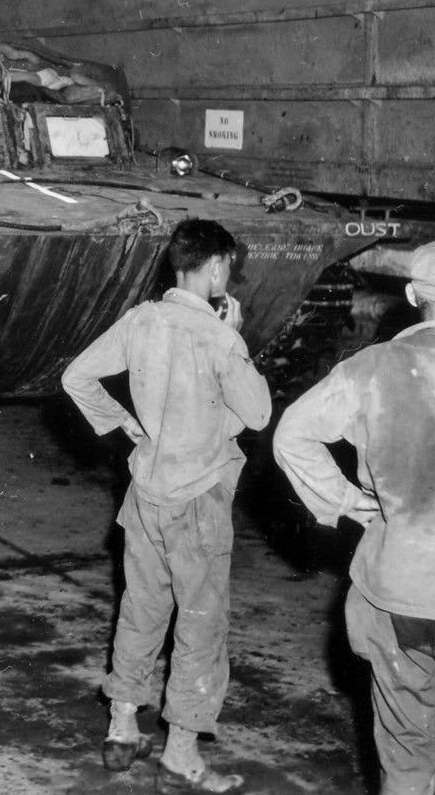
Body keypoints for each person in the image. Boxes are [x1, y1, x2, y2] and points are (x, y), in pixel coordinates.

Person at [273, 239, 435, 795]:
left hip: (397, 592)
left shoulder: (372, 368)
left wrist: (347, 501)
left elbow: (292, 435)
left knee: (404, 757)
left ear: (411, 295)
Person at [62, 218, 270, 793]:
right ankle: (181, 754)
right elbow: (257, 415)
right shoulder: (221, 337)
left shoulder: (142, 319)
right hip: (197, 499)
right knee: (201, 623)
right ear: (218, 268)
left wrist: (122, 423)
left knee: (142, 608)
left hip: (144, 494)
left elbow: (77, 376)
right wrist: (238, 341)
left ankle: (122, 726)